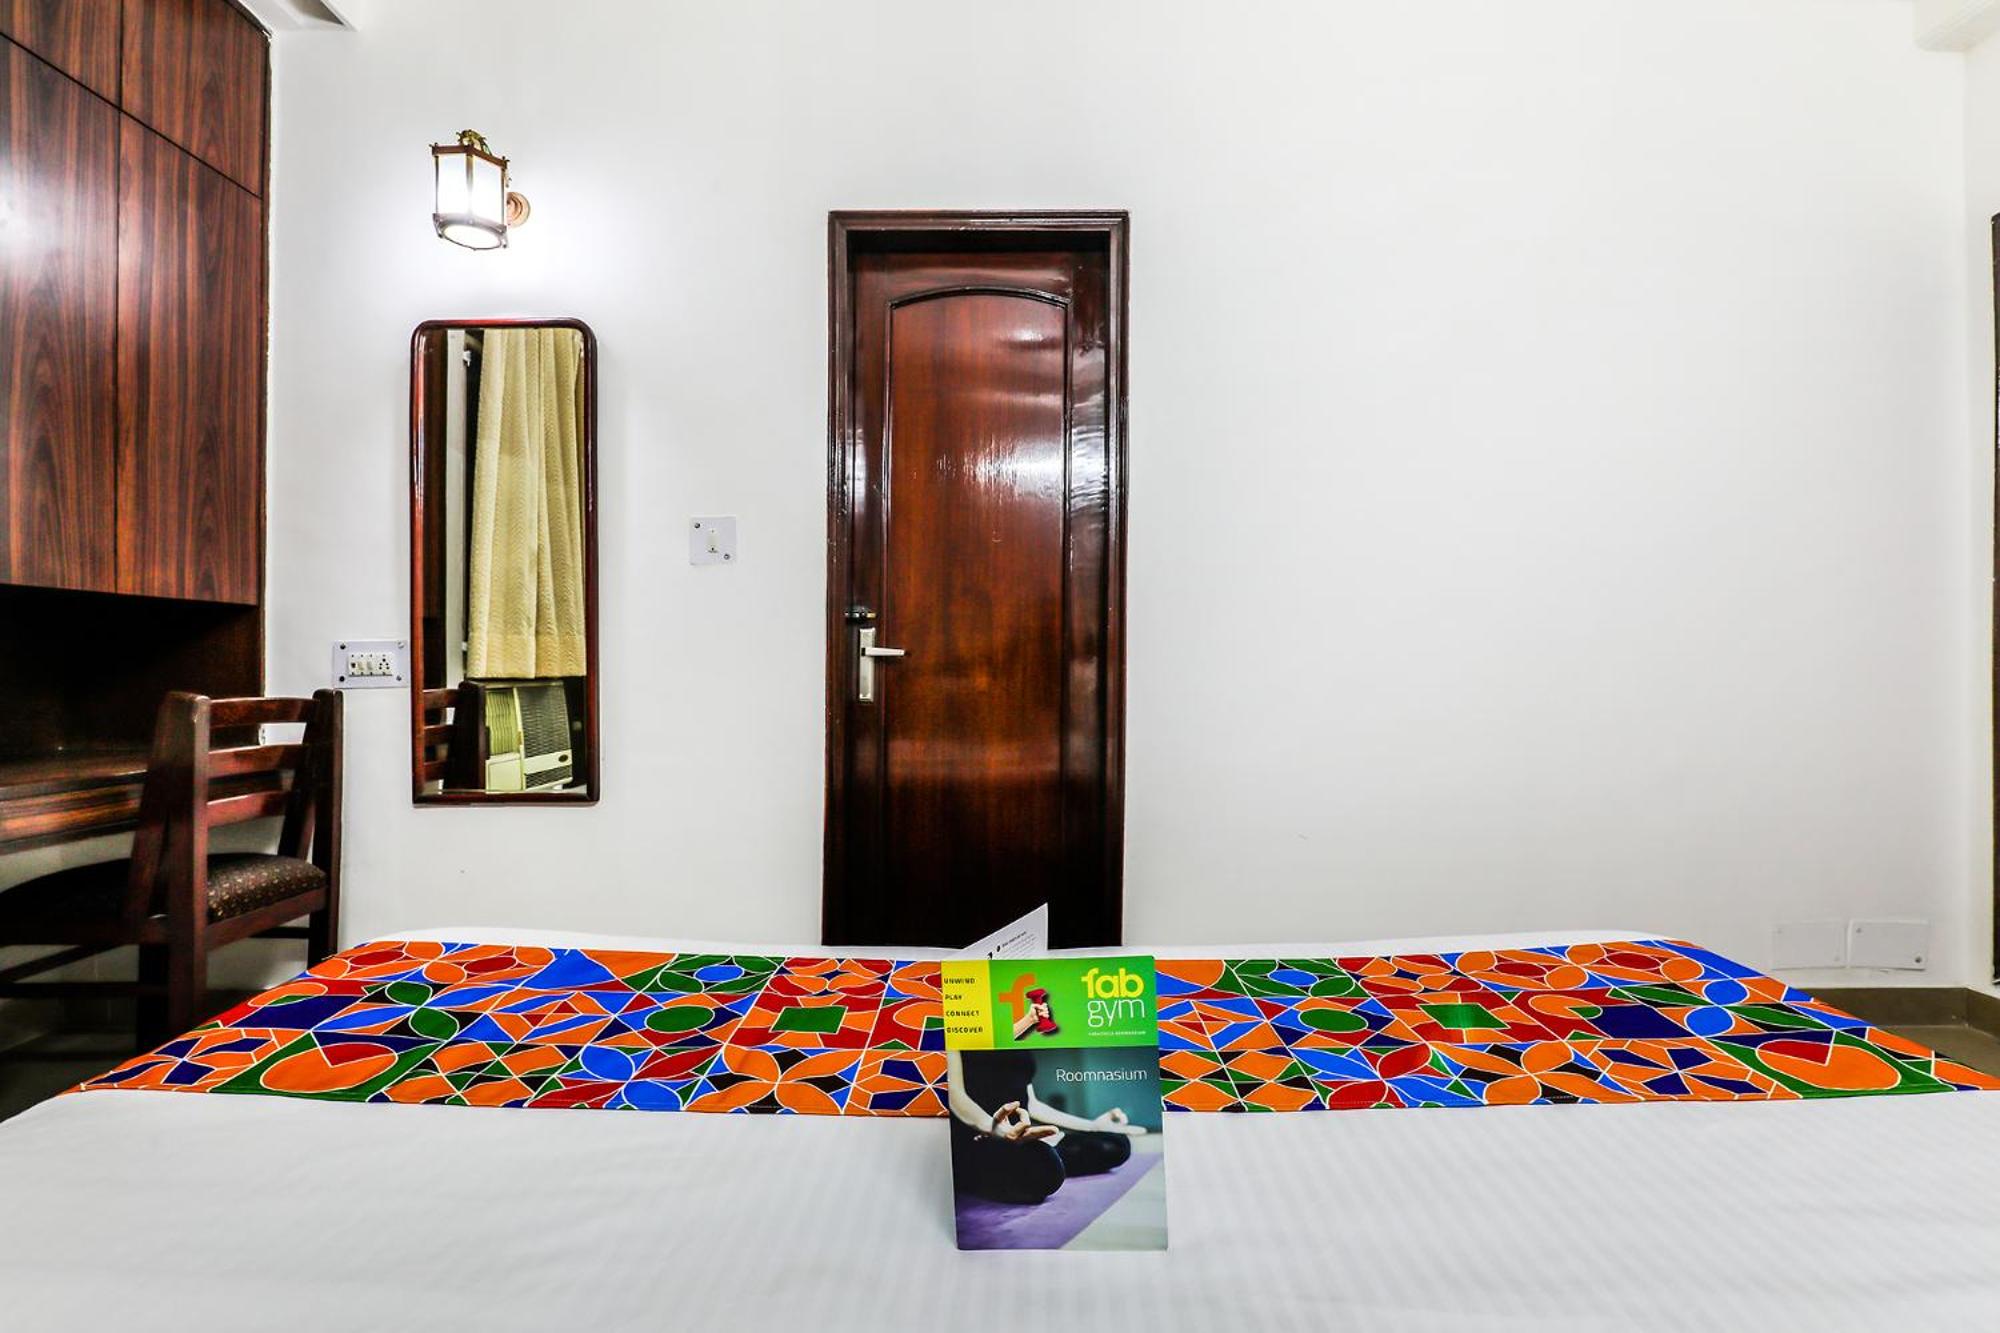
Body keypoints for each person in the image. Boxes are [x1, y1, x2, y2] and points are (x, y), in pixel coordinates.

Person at [946, 1049, 1147, 1205]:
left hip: (1021, 1134)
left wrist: (1093, 1125)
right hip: (977, 1134)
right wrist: (993, 1128)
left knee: (1117, 1144)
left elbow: (1032, 1104)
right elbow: (955, 1094)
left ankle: (1047, 1152)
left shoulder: (1016, 1034)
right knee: (1045, 1171)